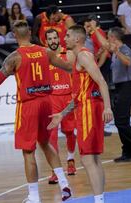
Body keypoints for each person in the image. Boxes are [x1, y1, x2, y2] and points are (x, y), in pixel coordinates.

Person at [0, 20, 72, 203]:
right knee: (45, 142)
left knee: (28, 152)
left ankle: (34, 197)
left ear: (15, 36)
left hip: (28, 105)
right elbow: (69, 67)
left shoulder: (15, 57)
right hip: (47, 103)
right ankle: (64, 184)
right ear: (30, 34)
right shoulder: (46, 51)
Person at [47, 25, 113, 203]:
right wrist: (62, 114)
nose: (64, 39)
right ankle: (100, 199)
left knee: (87, 158)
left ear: (77, 39)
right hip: (86, 107)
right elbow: (78, 96)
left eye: (67, 36)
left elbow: (102, 82)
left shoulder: (83, 55)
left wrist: (108, 107)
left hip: (90, 109)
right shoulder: (79, 57)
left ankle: (99, 200)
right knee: (93, 158)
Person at [94, 26, 131, 163]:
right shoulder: (114, 50)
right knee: (120, 122)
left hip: (127, 87)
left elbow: (128, 62)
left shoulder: (125, 49)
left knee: (121, 122)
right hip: (119, 88)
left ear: (113, 38)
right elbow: (104, 44)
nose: (107, 40)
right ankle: (128, 152)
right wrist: (95, 29)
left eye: (109, 37)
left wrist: (117, 52)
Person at [44, 29, 77, 185]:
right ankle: (55, 171)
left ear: (59, 38)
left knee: (70, 131)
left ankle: (71, 159)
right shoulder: (44, 57)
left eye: (55, 37)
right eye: (49, 38)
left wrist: (75, 94)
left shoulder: (68, 54)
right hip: (52, 99)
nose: (52, 41)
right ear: (46, 41)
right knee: (52, 137)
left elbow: (76, 76)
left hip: (67, 97)